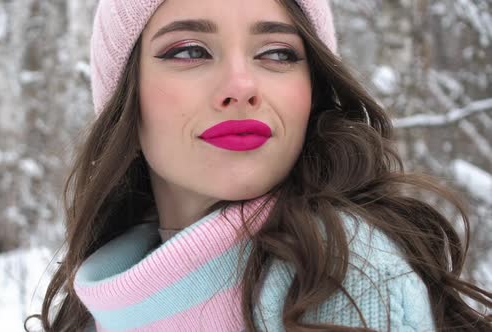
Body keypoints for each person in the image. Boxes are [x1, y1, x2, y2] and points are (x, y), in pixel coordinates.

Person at [26, 0, 492, 331]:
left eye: (277, 53)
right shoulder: (95, 303)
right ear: (125, 97)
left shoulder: (342, 284)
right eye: (189, 50)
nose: (242, 85)